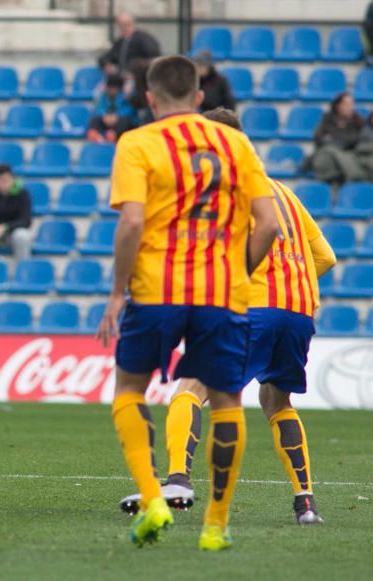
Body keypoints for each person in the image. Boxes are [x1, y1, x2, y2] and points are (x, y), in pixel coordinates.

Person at [118, 106, 336, 527]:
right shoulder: (282, 192)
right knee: (276, 400)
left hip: (250, 307)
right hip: (298, 312)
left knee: (190, 388)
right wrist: (292, 289)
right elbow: (325, 256)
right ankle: (305, 502)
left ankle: (178, 479)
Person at [94, 55, 279, 551]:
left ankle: (154, 498)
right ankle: (216, 526)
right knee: (224, 401)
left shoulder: (137, 142)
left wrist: (117, 294)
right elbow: (270, 224)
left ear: (151, 100)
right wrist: (237, 272)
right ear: (200, 97)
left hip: (157, 290)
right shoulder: (235, 143)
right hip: (222, 292)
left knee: (130, 389)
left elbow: (131, 223)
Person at [307, 92, 365, 184]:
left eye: (351, 104)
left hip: (349, 155)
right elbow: (318, 137)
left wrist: (334, 140)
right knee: (326, 153)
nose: (350, 107)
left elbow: (357, 141)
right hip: (329, 156)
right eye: (346, 104)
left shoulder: (358, 121)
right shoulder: (327, 118)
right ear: (338, 106)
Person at [87, 73, 135, 144]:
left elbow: (129, 110)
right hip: (105, 120)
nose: (111, 90)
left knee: (125, 121)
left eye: (114, 88)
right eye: (110, 88)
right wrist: (104, 115)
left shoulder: (126, 97)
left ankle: (114, 136)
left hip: (119, 122)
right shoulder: (103, 96)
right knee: (95, 118)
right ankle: (96, 135)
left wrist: (117, 116)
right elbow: (97, 108)